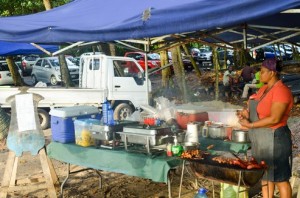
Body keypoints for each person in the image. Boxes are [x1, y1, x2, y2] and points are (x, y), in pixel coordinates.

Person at [237, 58, 293, 198]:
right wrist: (246, 113)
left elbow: (275, 118)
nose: (259, 75)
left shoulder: (281, 91)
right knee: (265, 175)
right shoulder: (263, 89)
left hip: (276, 138)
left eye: (262, 72)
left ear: (272, 73)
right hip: (261, 138)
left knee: (280, 178)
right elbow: (257, 109)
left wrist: (250, 125)